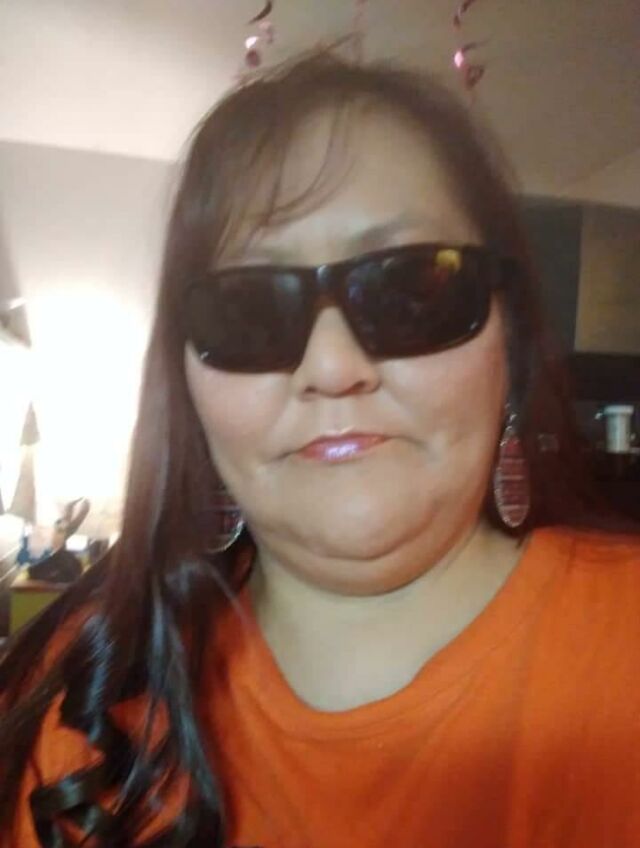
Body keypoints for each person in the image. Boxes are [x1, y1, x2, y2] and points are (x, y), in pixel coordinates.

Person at [1, 49, 639, 848]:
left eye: (409, 289)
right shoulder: (84, 699)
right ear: (187, 381)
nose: (333, 368)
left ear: (506, 344)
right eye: (249, 308)